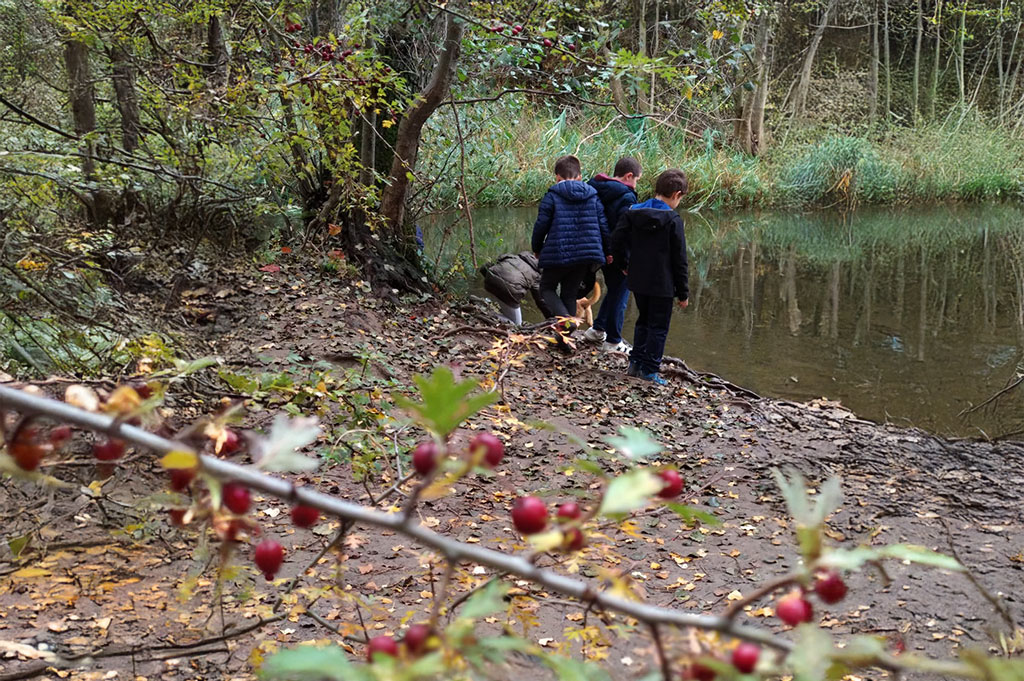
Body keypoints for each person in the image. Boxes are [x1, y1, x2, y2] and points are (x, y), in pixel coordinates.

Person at [610, 169, 689, 386]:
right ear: (676, 194)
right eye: (681, 198)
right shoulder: (673, 219)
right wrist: (683, 292)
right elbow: (679, 259)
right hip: (663, 283)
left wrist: (623, 264)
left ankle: (635, 364)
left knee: (643, 321)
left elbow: (616, 240)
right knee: (658, 327)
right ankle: (650, 370)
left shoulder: (633, 211)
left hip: (638, 280)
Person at [531, 155, 609, 321]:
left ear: (557, 177)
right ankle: (566, 337)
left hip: (558, 252)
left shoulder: (551, 196)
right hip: (585, 256)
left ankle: (567, 322)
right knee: (570, 293)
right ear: (580, 177)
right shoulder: (593, 196)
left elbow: (541, 225)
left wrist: (537, 248)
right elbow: (603, 225)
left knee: (546, 288)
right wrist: (608, 251)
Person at [583, 157, 642, 353]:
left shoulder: (597, 187)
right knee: (621, 295)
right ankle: (614, 341)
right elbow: (624, 231)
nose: (636, 185)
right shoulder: (626, 197)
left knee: (615, 290)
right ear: (629, 176)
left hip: (600, 249)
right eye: (637, 180)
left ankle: (598, 329)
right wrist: (626, 261)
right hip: (617, 254)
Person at [479, 252, 553, 325]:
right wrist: (551, 317)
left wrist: (490, 279)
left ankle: (482, 309)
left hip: (490, 281)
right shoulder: (537, 275)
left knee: (502, 303)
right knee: (517, 324)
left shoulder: (513, 256)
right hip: (510, 291)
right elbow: (540, 300)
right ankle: (485, 314)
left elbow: (485, 267)